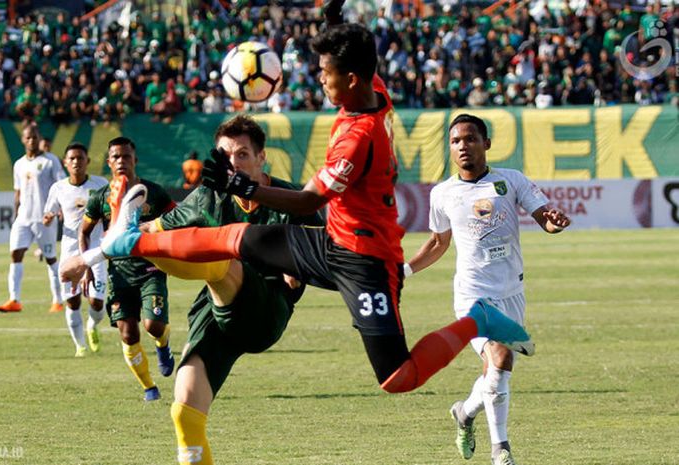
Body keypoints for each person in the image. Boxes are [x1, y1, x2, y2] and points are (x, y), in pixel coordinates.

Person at [65, 20, 532, 407]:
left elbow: (310, 201)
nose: (319, 80)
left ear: (350, 80)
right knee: (235, 236)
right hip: (329, 243)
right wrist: (332, 23)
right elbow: (355, 58)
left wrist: (239, 184)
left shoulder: (358, 136)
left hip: (369, 263)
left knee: (397, 377)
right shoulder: (373, 91)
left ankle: (482, 321)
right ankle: (127, 242)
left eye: (326, 73)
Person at [134, 115, 321, 465]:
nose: (233, 164)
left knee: (226, 258)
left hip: (266, 311)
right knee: (184, 410)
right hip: (214, 309)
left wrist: (299, 268)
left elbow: (319, 256)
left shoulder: (293, 200)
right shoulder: (207, 196)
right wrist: (116, 239)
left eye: (242, 155)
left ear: (262, 157)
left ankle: (149, 252)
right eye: (225, 156)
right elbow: (155, 226)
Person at [404, 114, 571, 465]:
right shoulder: (443, 193)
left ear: (486, 143)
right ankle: (502, 451)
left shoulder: (510, 182)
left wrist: (553, 224)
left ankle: (465, 413)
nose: (462, 146)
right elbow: (437, 243)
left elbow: (544, 217)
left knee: (495, 373)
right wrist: (404, 270)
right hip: (472, 295)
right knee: (501, 357)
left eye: (470, 138)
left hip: (512, 293)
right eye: (456, 141)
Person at [80, 137, 177, 401]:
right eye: (116, 157)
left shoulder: (153, 192)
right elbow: (85, 232)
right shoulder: (100, 197)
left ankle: (163, 344)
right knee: (128, 332)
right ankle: (149, 387)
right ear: (109, 162)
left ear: (135, 160)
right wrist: (87, 265)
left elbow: (176, 217)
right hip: (119, 275)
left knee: (153, 325)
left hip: (151, 269)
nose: (122, 161)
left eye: (126, 156)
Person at [43, 142, 109, 357]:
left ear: (87, 161)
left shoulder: (100, 184)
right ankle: (79, 345)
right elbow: (49, 211)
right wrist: (48, 217)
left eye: (80, 158)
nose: (76, 162)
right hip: (70, 251)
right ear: (65, 163)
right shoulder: (58, 188)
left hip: (96, 250)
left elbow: (110, 213)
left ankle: (92, 324)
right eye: (71, 158)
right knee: (72, 300)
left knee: (97, 302)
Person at [0, 123, 65, 313]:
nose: (32, 140)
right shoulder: (19, 164)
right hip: (23, 218)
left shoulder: (51, 161)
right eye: (28, 137)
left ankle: (58, 300)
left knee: (51, 258)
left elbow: (61, 186)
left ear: (39, 138)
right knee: (15, 255)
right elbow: (18, 192)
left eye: (35, 137)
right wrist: (15, 212)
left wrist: (57, 210)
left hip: (44, 218)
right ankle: (14, 300)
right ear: (23, 140)